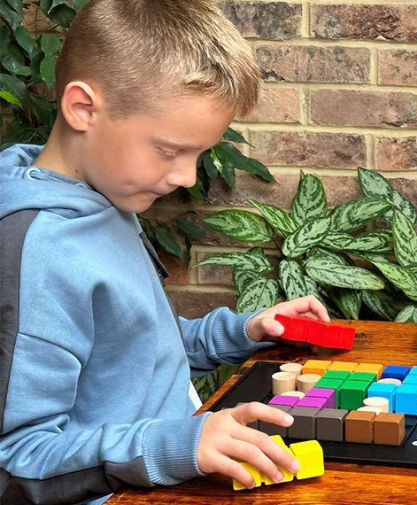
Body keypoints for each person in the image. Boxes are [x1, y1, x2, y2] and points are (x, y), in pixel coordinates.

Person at [0, 0, 331, 503]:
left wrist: (242, 331)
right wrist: (174, 444)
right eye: (169, 149)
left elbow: (132, 354)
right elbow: (15, 463)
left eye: (199, 153)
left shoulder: (105, 196)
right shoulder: (39, 249)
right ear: (82, 109)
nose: (186, 177)